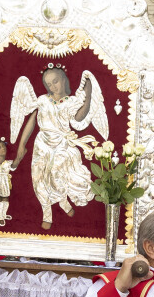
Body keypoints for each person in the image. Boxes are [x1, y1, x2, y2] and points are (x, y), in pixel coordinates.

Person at [9, 66, 106, 229]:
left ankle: (62, 201)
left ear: (63, 80)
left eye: (55, 81)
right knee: (39, 177)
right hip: (42, 143)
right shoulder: (42, 100)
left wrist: (88, 96)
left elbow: (79, 117)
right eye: (49, 84)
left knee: (56, 175)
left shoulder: (71, 101)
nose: (53, 87)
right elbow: (31, 122)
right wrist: (21, 145)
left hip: (61, 143)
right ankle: (47, 212)